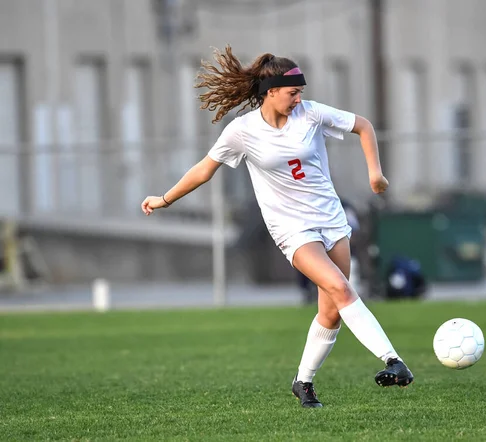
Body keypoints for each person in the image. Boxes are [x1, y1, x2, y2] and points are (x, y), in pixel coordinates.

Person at [141, 46, 414, 408]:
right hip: (292, 229)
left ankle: (303, 383)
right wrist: (165, 198)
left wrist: (375, 174)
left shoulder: (310, 113)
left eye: (300, 92)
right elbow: (203, 170)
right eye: (292, 92)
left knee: (331, 310)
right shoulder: (242, 131)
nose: (299, 98)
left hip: (330, 218)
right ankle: (393, 361)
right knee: (341, 287)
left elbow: (363, 126)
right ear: (270, 92)